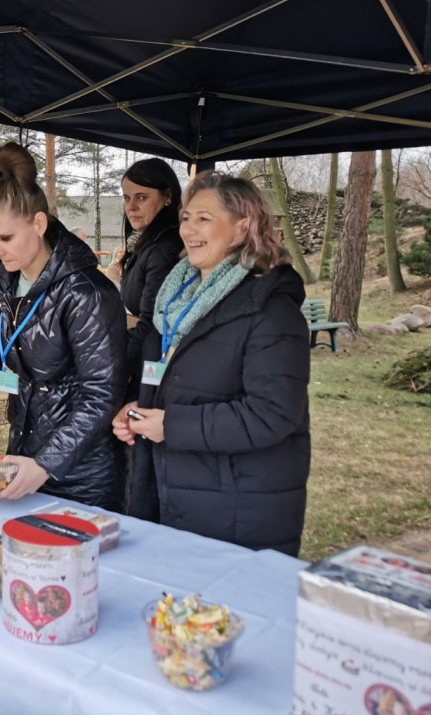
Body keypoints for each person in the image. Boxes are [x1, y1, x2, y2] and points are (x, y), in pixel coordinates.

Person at [112, 171, 310, 556]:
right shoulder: (176, 296)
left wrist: (171, 425)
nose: (189, 229)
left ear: (244, 225)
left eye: (204, 218)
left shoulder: (269, 307)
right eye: (186, 217)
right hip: (168, 487)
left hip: (237, 507)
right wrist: (141, 407)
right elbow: (177, 378)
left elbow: (273, 414)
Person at [0, 142, 127, 510]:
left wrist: (46, 464)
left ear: (39, 224)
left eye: (5, 238)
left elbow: (102, 394)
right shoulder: (0, 283)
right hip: (22, 463)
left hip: (81, 478)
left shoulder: (86, 292)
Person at [104, 158, 184, 362]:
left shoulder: (164, 249)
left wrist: (112, 367)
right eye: (126, 197)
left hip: (149, 363)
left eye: (141, 197)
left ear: (167, 196)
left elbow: (151, 325)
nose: (131, 206)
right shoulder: (143, 243)